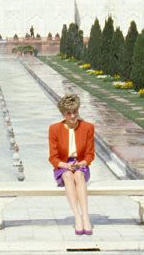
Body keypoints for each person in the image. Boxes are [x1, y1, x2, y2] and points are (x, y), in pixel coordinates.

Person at [48, 93, 94, 235]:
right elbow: (53, 157)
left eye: (75, 112)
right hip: (63, 165)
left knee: (79, 176)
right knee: (68, 176)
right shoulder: (54, 129)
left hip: (81, 164)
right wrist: (65, 165)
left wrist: (81, 164)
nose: (73, 116)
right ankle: (77, 218)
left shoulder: (88, 127)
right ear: (63, 114)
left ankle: (85, 216)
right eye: (69, 113)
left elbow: (90, 154)